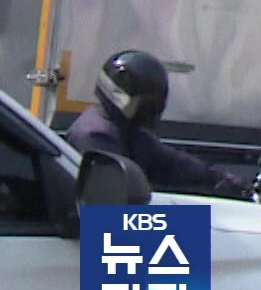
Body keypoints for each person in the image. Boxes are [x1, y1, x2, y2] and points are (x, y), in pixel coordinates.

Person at [67, 50, 249, 197]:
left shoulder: (128, 131)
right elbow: (120, 196)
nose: (151, 112)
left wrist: (220, 179)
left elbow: (171, 163)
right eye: (145, 104)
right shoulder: (97, 137)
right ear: (120, 97)